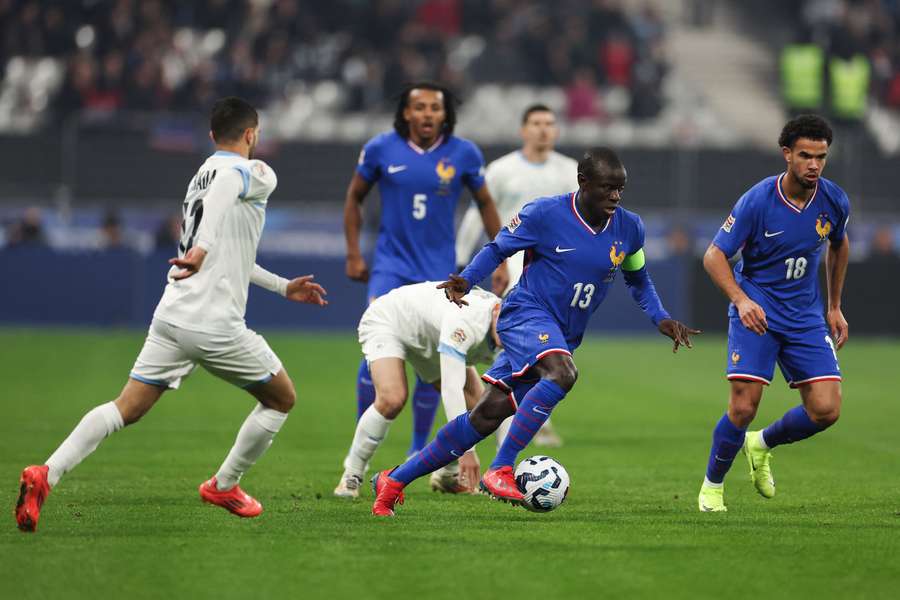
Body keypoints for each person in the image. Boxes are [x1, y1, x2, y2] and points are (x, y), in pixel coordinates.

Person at [14, 97, 328, 532]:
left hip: (173, 316)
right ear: (253, 134)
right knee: (281, 399)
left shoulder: (198, 176)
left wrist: (280, 286)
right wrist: (200, 249)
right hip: (214, 324)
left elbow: (229, 251)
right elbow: (225, 197)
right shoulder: (253, 172)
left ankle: (46, 473)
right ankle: (224, 484)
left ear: (211, 135)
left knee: (126, 407)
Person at [369, 147, 700, 516]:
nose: (615, 197)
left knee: (484, 417)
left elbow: (638, 279)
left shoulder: (629, 228)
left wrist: (661, 318)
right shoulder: (545, 214)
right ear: (583, 182)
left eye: (620, 188)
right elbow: (498, 249)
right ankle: (502, 468)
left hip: (561, 333)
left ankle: (394, 480)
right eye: (607, 188)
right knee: (562, 373)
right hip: (525, 315)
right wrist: (467, 279)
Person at [341, 81, 507, 493]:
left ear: (445, 114)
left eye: (436, 107)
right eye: (420, 107)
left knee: (444, 364)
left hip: (440, 272)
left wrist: (500, 256)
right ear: (407, 113)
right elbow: (354, 198)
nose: (429, 113)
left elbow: (486, 203)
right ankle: (361, 455)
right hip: (391, 268)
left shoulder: (464, 153)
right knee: (384, 361)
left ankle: (422, 449)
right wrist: (353, 254)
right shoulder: (381, 148)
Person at [697, 114, 850, 513]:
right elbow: (714, 256)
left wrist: (834, 305)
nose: (814, 165)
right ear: (786, 154)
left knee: (826, 409)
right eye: (805, 155)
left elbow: (839, 244)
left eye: (821, 157)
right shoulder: (758, 200)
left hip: (805, 316)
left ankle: (761, 444)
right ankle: (712, 486)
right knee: (744, 406)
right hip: (758, 313)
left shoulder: (833, 199)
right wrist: (741, 300)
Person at [456, 103, 578, 448]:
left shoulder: (570, 172)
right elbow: (476, 214)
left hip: (556, 267)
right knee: (510, 336)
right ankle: (504, 409)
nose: (543, 129)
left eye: (549, 123)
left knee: (555, 339)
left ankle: (537, 413)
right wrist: (462, 260)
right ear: (524, 129)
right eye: (536, 123)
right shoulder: (501, 169)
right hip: (511, 263)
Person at [334, 282, 501, 498]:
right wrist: (467, 452)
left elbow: (504, 399)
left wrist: (503, 465)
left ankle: (447, 475)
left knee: (483, 407)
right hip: (390, 320)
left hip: (431, 336)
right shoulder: (468, 320)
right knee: (392, 398)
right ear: (496, 310)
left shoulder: (513, 330)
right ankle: (352, 475)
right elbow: (452, 389)